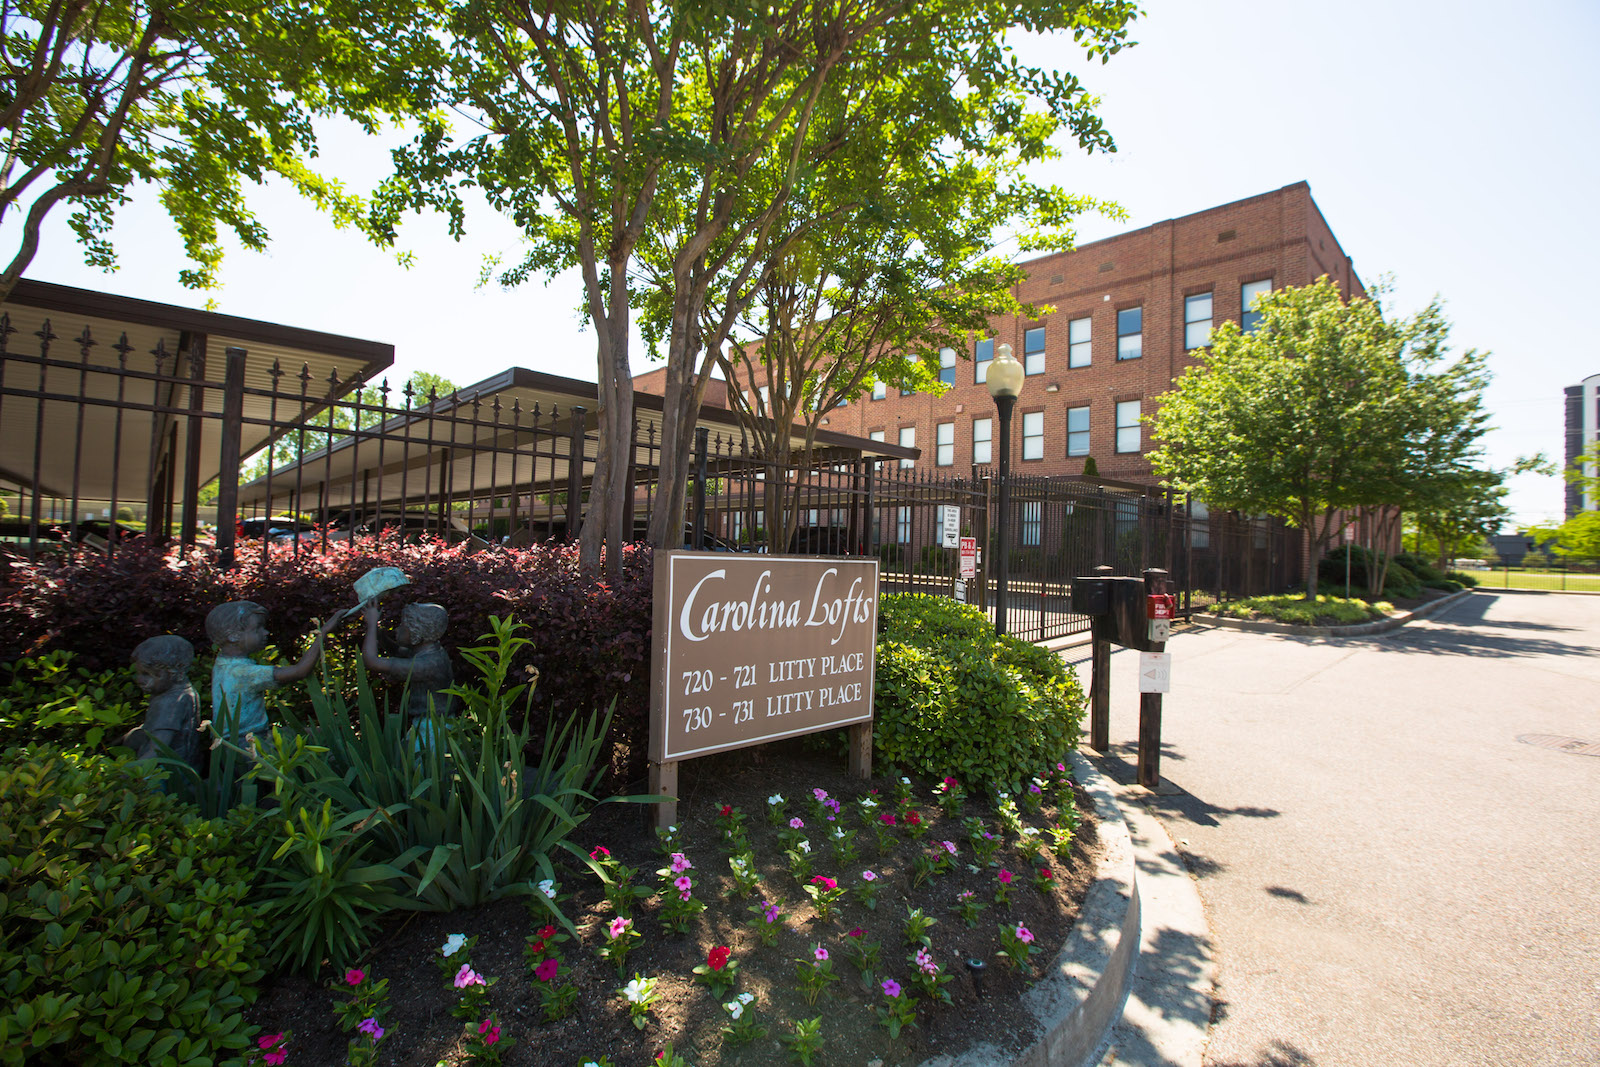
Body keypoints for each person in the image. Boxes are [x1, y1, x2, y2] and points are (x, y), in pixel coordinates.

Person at [205, 600, 335, 749]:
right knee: (326, 744)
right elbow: (301, 671)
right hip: (246, 745)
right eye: (257, 629)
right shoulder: (241, 672)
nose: (265, 632)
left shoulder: (223, 662)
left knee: (316, 733)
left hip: (233, 742)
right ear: (233, 636)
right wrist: (324, 631)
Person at [362, 600, 454, 748]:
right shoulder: (429, 651)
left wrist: (372, 625)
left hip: (432, 729)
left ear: (416, 631)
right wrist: (378, 632)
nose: (397, 629)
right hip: (429, 723)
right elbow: (398, 652)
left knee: (420, 767)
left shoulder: (428, 665)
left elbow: (372, 662)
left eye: (402, 626)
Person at [119, 634, 203, 769]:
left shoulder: (170, 703)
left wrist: (122, 773)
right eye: (139, 673)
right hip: (186, 766)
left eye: (147, 674)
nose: (139, 679)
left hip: (166, 778)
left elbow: (157, 751)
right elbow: (153, 729)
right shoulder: (183, 691)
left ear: (175, 673)